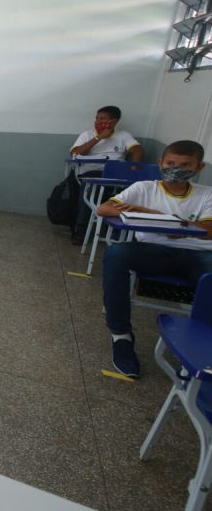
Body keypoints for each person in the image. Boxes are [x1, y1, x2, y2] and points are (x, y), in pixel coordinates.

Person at [96, 140, 212, 377]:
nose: (176, 169)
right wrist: (154, 215)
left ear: (199, 167)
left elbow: (208, 231)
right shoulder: (144, 188)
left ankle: (202, 348)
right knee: (117, 253)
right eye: (170, 163)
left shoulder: (206, 194)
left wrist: (165, 219)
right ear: (160, 163)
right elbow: (104, 209)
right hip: (153, 250)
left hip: (199, 254)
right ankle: (121, 335)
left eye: (185, 165)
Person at [70, 106, 143, 241]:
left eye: (103, 119)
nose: (98, 121)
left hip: (116, 174)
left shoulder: (123, 135)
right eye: (97, 118)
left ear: (114, 121)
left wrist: (134, 168)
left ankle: (119, 231)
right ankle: (81, 230)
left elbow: (137, 150)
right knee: (90, 191)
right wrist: (98, 137)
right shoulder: (87, 134)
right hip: (92, 173)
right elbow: (76, 153)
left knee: (132, 192)